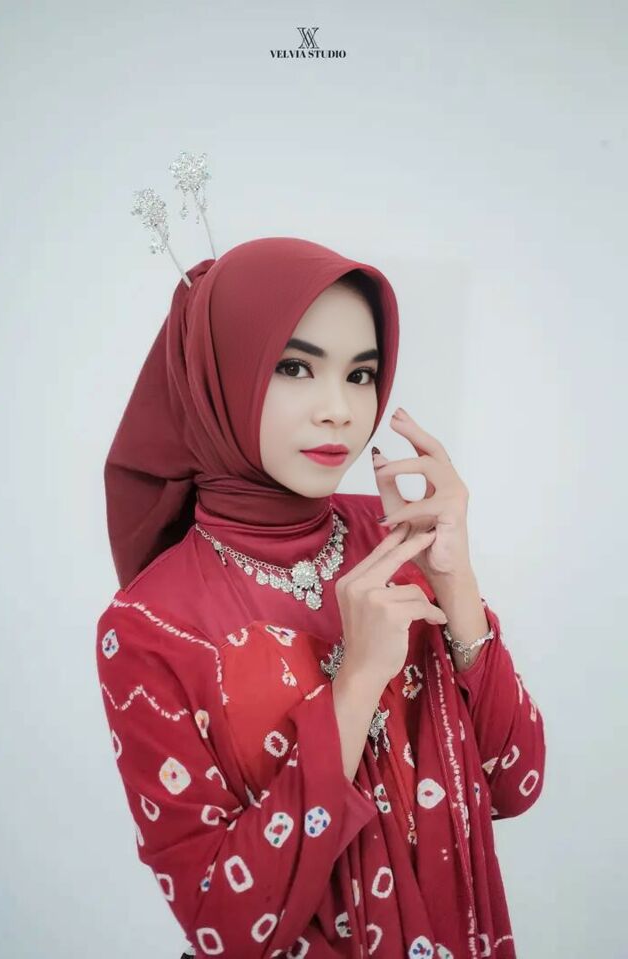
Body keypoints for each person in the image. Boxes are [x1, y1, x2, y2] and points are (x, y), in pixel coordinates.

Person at [96, 236, 545, 959]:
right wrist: (355, 683)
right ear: (222, 377)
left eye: (360, 374)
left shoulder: (399, 536)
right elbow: (225, 926)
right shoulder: (150, 625)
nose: (340, 410)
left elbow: (516, 782)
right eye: (295, 366)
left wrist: (456, 584)